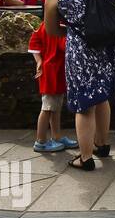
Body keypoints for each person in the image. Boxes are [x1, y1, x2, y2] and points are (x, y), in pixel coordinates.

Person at [43, 0, 115, 169]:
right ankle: (101, 144)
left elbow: (51, 30)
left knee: (84, 104)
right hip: (105, 45)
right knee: (101, 96)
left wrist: (73, 31)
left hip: (80, 51)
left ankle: (85, 157)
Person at [28, 19, 78, 153]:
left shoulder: (45, 23)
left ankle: (56, 137)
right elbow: (65, 46)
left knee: (55, 107)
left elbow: (34, 41)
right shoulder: (62, 26)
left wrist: (39, 60)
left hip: (51, 70)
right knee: (48, 108)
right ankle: (41, 141)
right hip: (54, 72)